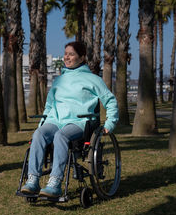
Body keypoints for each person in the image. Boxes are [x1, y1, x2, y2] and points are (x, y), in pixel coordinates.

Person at [21, 41, 119, 198]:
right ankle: (33, 180)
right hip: (55, 120)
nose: (67, 57)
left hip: (79, 122)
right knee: (39, 134)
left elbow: (110, 101)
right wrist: (42, 124)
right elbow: (49, 105)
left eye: (71, 54)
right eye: (66, 53)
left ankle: (55, 183)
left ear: (81, 58)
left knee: (61, 136)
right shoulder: (59, 80)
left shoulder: (93, 79)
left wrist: (110, 123)